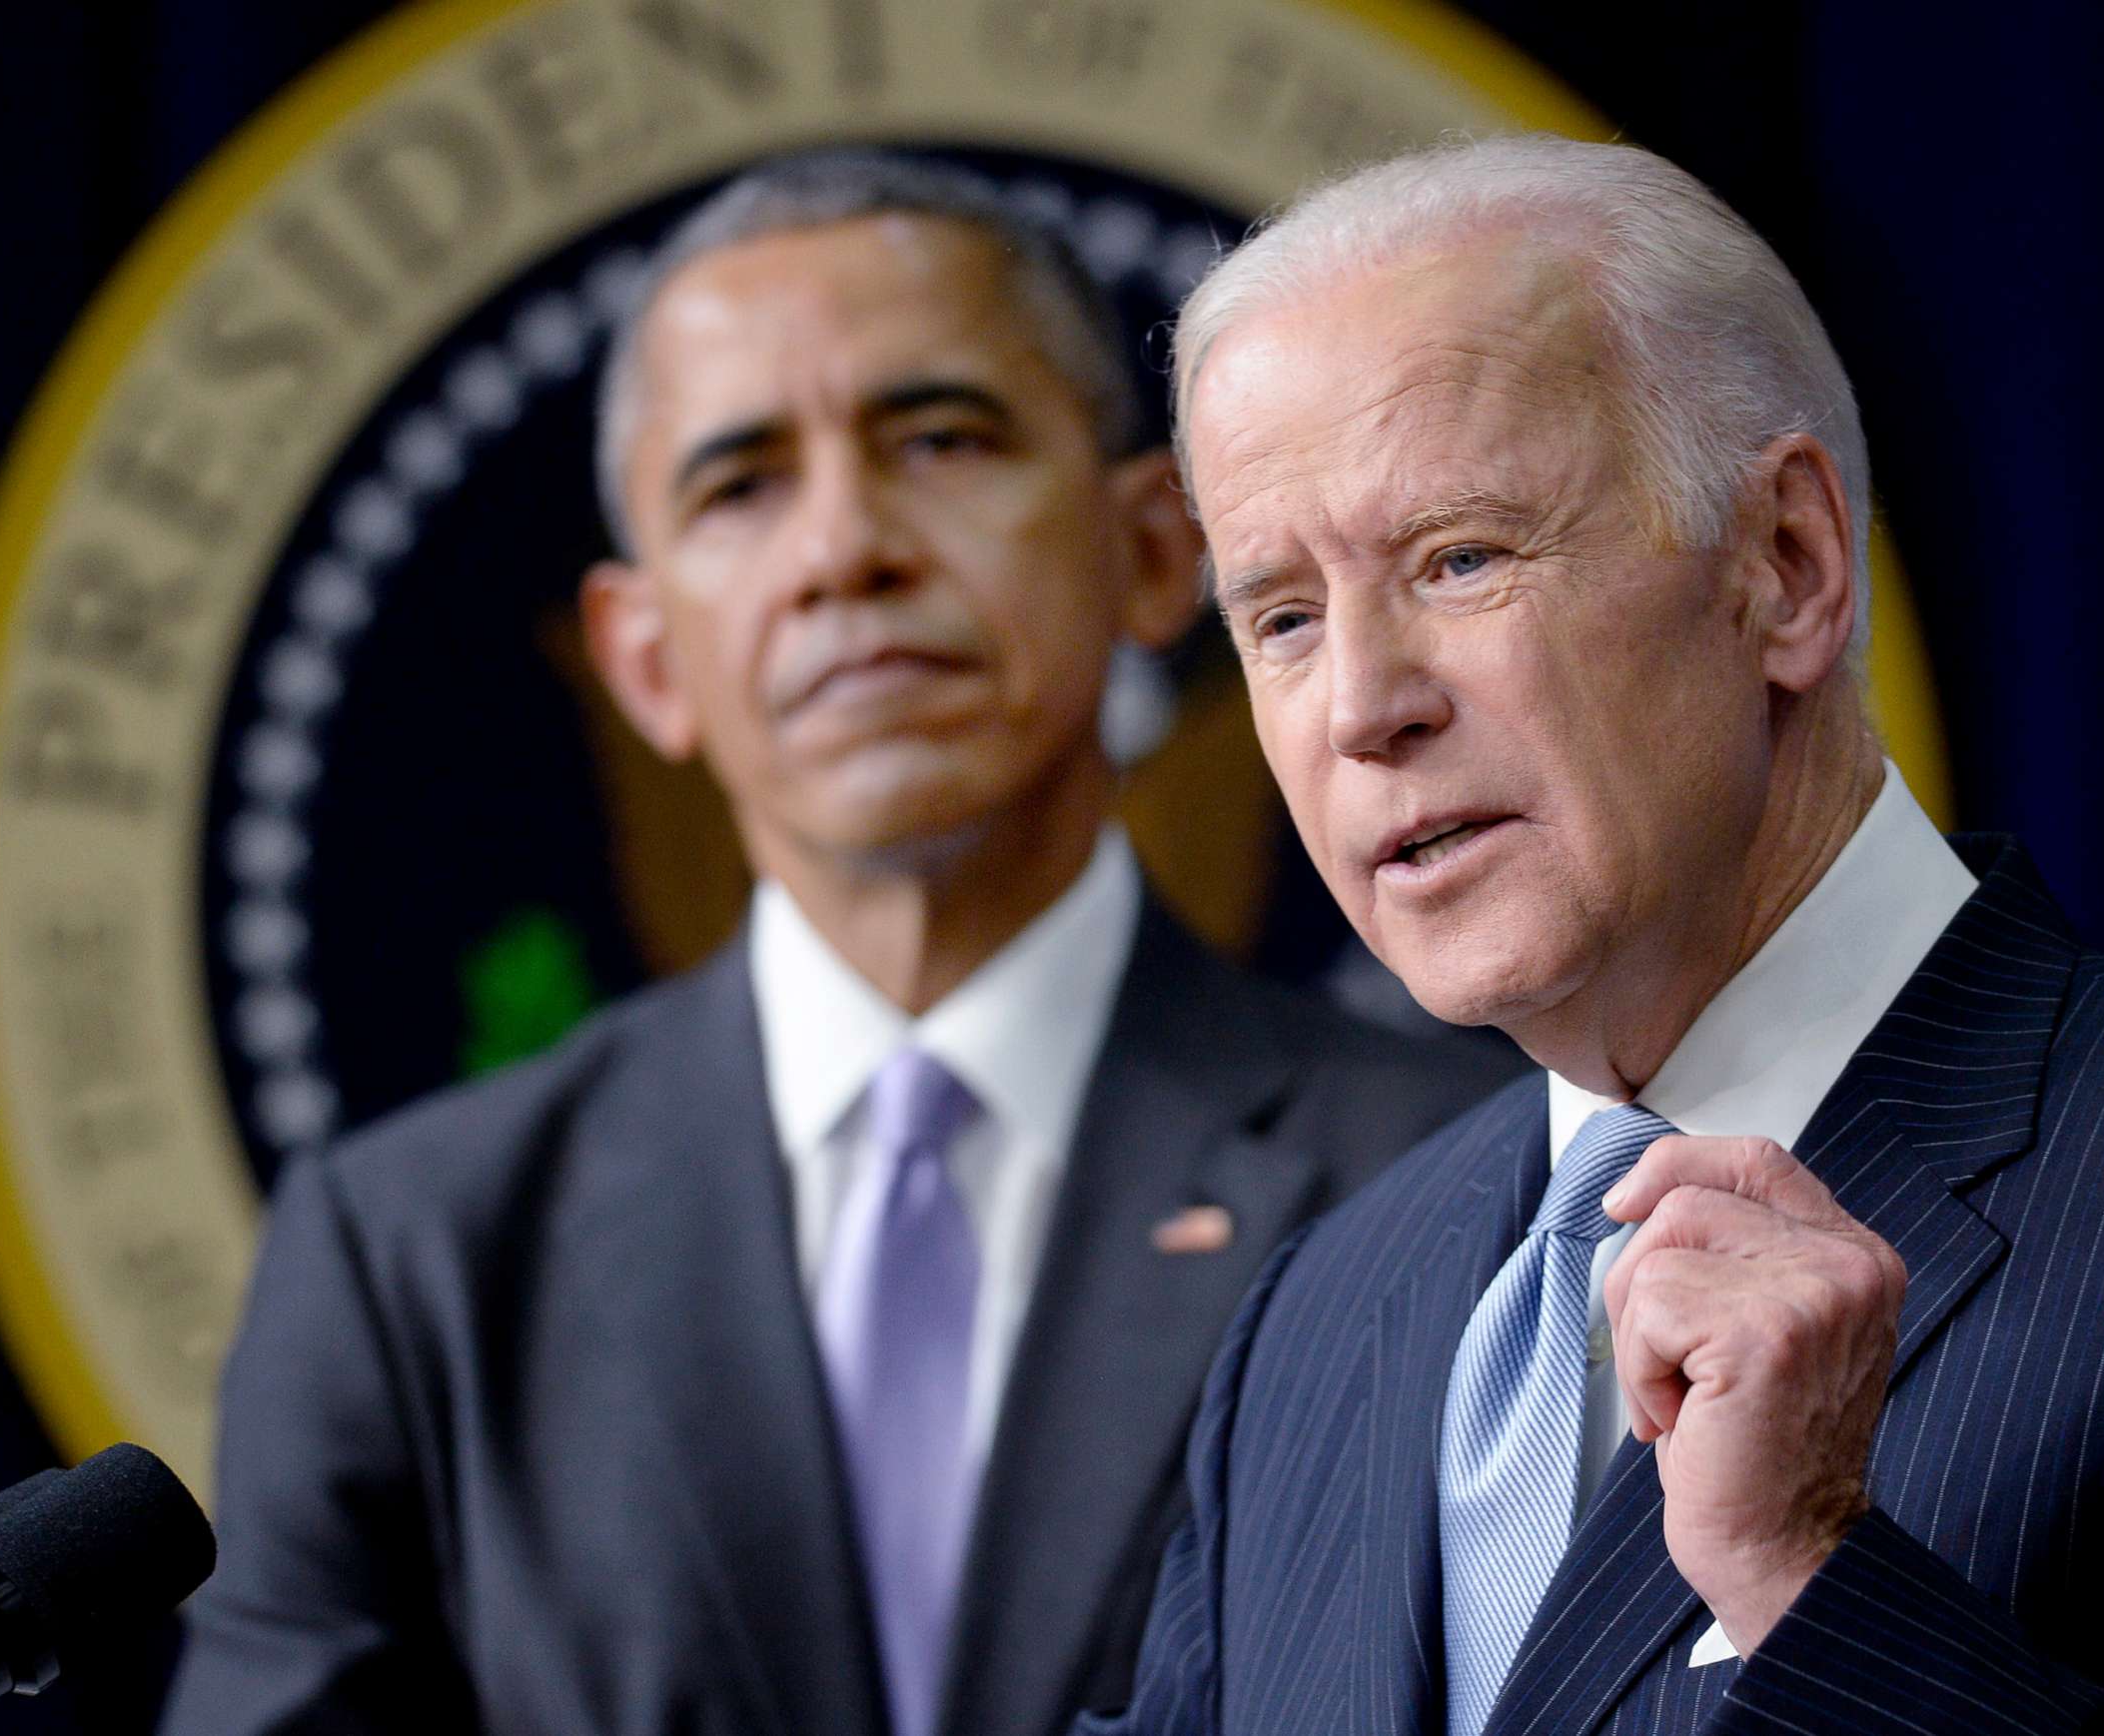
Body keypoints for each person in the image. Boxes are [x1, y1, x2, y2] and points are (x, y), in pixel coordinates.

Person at [159, 153, 1524, 1736]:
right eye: (740, 485)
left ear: (1160, 552)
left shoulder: (1462, 1186)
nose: (844, 552)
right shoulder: (411, 1256)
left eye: (940, 439)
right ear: (646, 658)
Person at [1085, 135, 2104, 1735]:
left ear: (1786, 565)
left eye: (1460, 558)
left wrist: (1811, 1579)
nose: (1365, 707)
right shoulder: (1321, 1319)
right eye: (1285, 618)